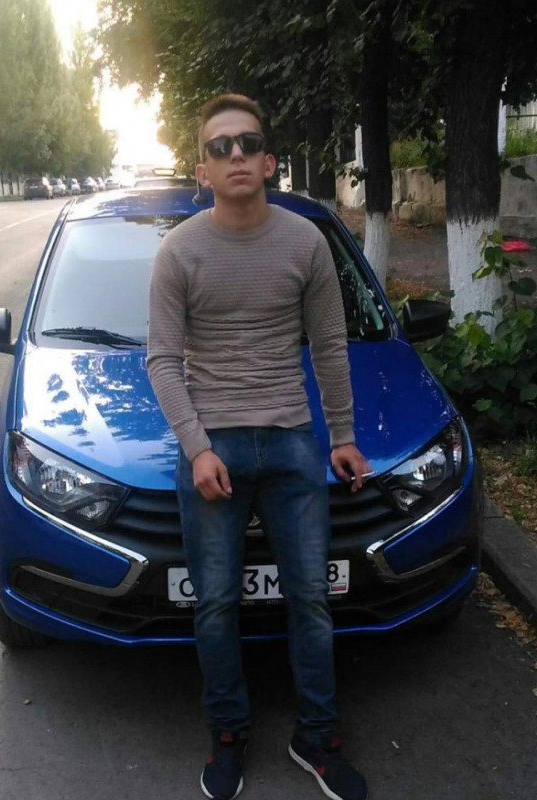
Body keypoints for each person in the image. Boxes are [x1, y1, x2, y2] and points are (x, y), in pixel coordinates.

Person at [147, 93, 370, 800]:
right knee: (215, 605)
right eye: (221, 147)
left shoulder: (305, 243)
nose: (236, 155)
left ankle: (317, 738)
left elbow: (329, 346)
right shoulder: (179, 251)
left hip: (292, 442)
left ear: (270, 161)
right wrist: (196, 448)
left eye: (247, 144)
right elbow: (162, 360)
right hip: (213, 447)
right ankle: (227, 734)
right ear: (203, 171)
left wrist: (342, 437)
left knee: (311, 600)